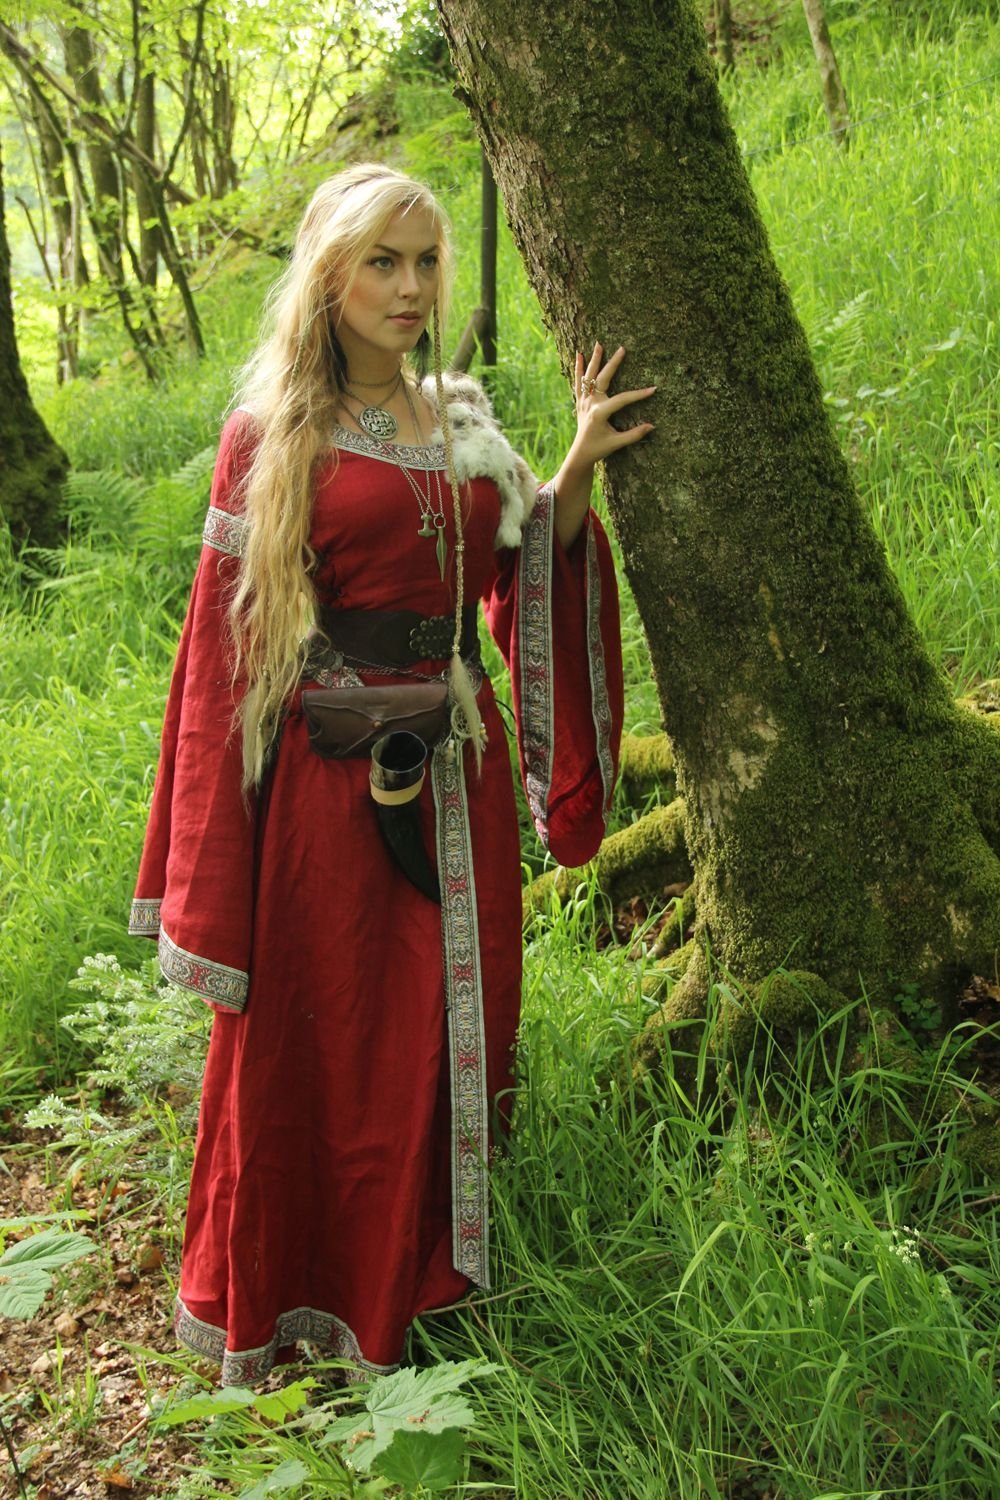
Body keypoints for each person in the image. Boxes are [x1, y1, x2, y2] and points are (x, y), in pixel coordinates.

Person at [129, 163, 655, 1383]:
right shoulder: (272, 436)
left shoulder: (461, 419)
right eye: (384, 262)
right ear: (328, 274)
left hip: (455, 787)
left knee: (440, 1032)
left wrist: (572, 466)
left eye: (426, 262)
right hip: (328, 792)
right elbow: (225, 653)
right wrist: (218, 858)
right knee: (328, 1039)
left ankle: (422, 1293)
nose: (411, 287)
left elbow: (517, 571)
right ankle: (304, 1311)